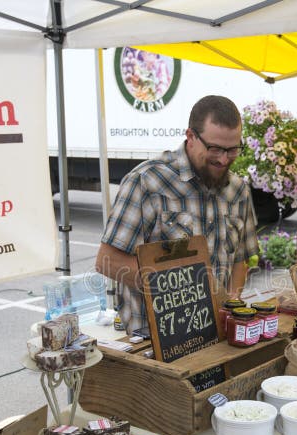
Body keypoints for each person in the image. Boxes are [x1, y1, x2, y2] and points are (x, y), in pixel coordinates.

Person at [96, 95, 259, 334]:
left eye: (232, 149)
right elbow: (108, 261)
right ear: (191, 137)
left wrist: (231, 305)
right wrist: (185, 291)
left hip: (214, 335)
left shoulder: (238, 190)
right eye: (215, 149)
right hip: (153, 340)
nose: (224, 159)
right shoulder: (147, 181)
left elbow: (239, 261)